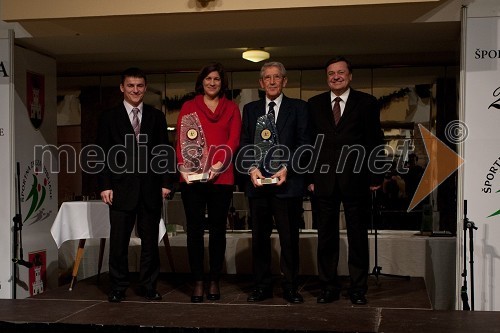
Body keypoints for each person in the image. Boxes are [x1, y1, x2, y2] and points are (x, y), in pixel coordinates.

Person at [307, 56, 383, 305]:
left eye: (340, 72)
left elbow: (375, 141)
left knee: (357, 237)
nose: (336, 77)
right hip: (324, 180)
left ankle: (358, 288)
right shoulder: (315, 104)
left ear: (350, 76)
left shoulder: (367, 103)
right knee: (326, 237)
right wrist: (309, 176)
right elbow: (309, 145)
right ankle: (328, 287)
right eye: (331, 73)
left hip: (358, 179)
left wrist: (375, 175)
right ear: (326, 77)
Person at [97, 67, 174, 302]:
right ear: (122, 87)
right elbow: (101, 154)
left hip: (150, 188)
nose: (135, 90)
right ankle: (118, 287)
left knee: (150, 242)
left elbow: (164, 152)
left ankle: (149, 286)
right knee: (118, 242)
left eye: (139, 86)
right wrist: (104, 185)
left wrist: (166, 182)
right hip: (120, 189)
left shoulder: (156, 116)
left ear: (145, 87)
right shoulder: (108, 117)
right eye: (130, 85)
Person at [239, 62, 310, 304]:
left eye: (276, 77)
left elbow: (303, 144)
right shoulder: (250, 109)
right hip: (258, 185)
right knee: (259, 238)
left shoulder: (299, 108)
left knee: (289, 238)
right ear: (261, 83)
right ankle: (262, 287)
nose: (271, 82)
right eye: (267, 78)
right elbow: (245, 143)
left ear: (284, 81)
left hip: (287, 185)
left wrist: (286, 168)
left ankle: (290, 287)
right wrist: (252, 168)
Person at [176, 62, 241, 303]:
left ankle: (214, 279)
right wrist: (182, 166)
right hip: (192, 180)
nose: (212, 83)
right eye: (208, 78)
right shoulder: (188, 107)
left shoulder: (232, 108)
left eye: (217, 79)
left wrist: (218, 165)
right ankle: (198, 282)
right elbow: (181, 141)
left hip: (221, 177)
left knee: (217, 232)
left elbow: (234, 140)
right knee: (194, 232)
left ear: (222, 83)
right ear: (201, 81)